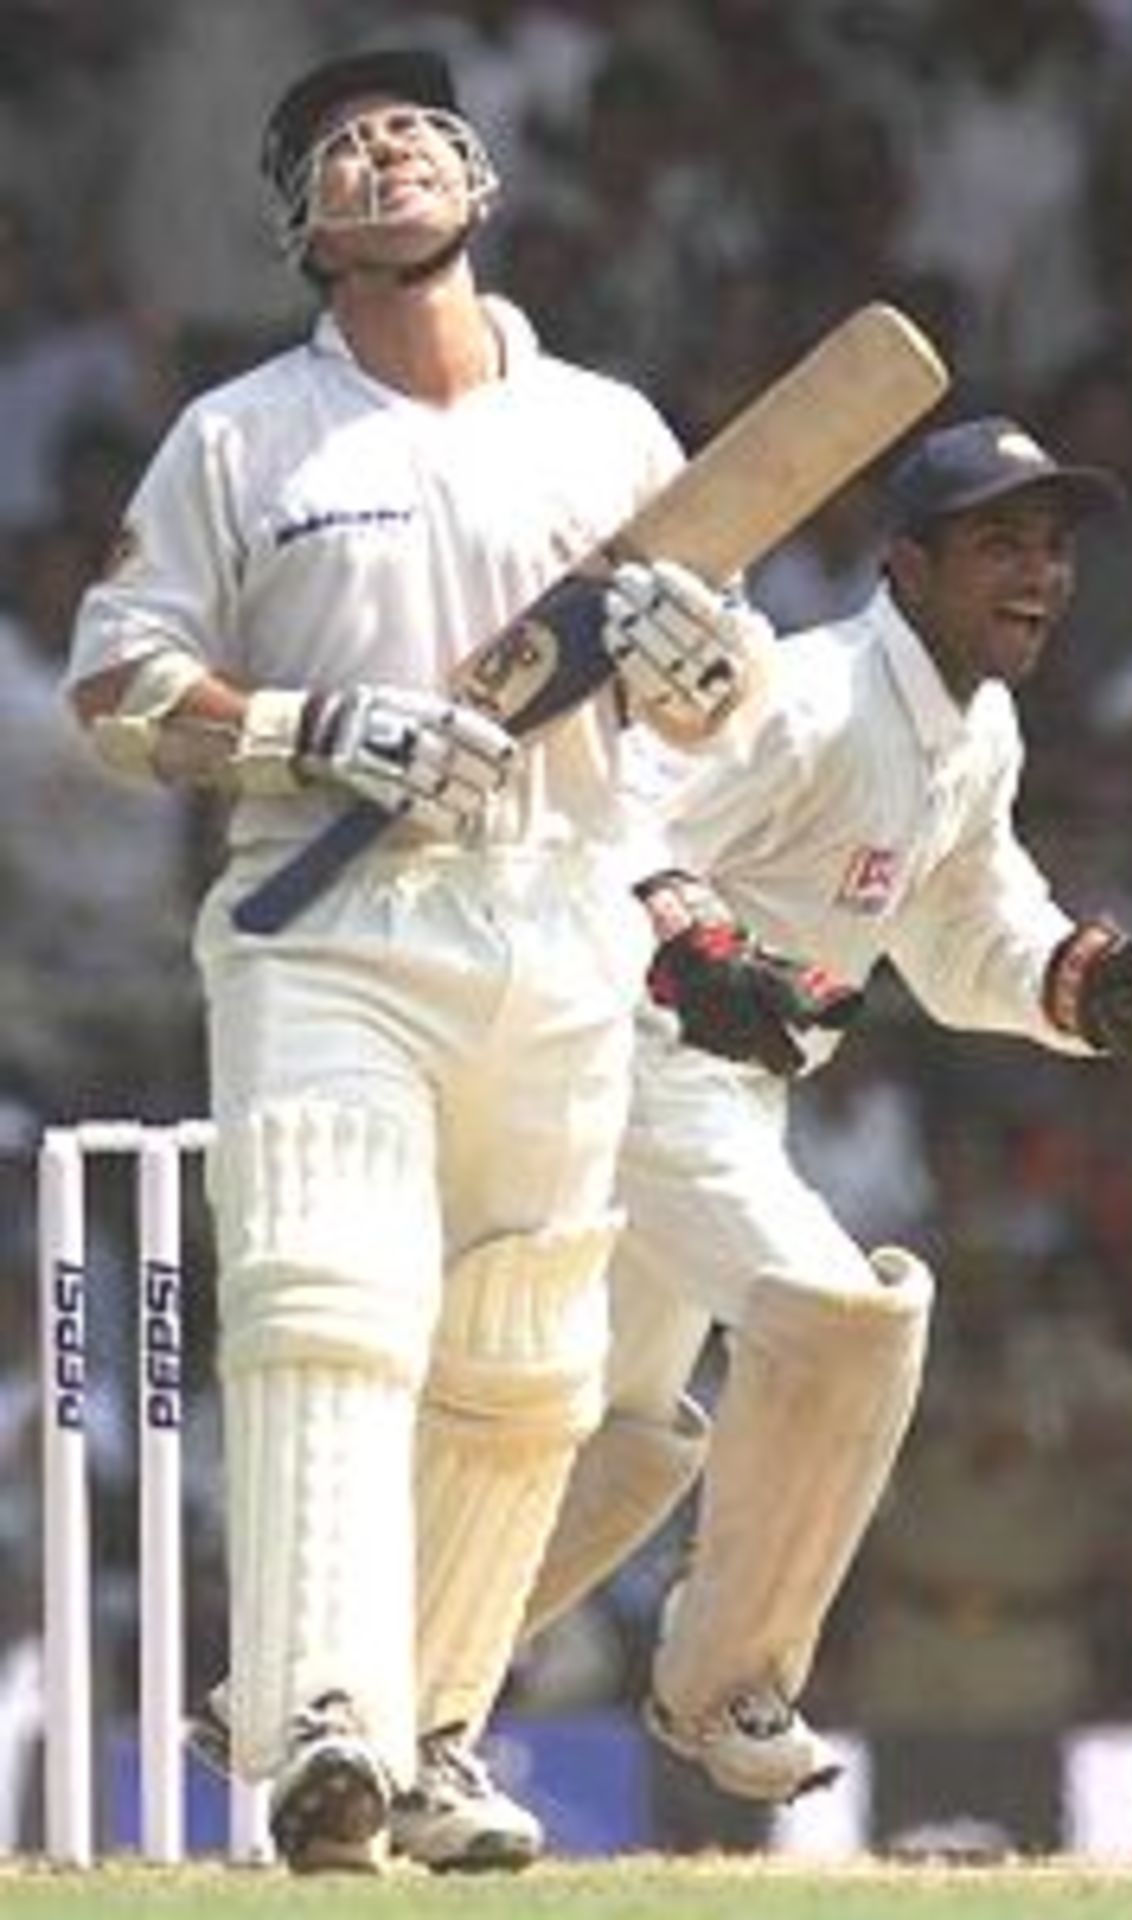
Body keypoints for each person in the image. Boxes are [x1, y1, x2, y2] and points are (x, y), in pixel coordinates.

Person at [62, 45, 781, 1876]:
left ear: (476, 175)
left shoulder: (610, 427)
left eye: (410, 125)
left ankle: (437, 1731)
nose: (381, 147)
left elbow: (721, 700)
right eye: (339, 143)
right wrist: (316, 730)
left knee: (526, 1361)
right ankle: (320, 1722)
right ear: (305, 225)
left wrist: (714, 673)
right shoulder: (242, 433)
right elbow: (117, 681)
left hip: (560, 918)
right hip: (335, 922)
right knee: (328, 1295)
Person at [510, 414, 1132, 1803]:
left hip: (729, 1092)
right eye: (997, 545)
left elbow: (971, 931)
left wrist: (1095, 989)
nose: (1037, 575)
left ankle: (389, 1690)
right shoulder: (805, 694)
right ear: (906, 565)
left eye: (1050, 548)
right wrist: (695, 944)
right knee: (847, 1325)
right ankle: (727, 1686)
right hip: (635, 1065)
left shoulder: (975, 730)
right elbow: (614, 817)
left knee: (616, 1441)